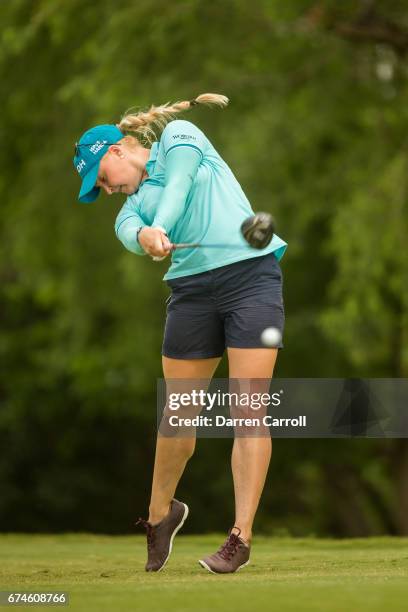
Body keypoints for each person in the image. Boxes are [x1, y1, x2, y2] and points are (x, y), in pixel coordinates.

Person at [73, 93, 287, 574]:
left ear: (118, 151)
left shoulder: (179, 137)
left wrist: (162, 224)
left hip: (251, 279)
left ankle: (240, 537)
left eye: (103, 179)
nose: (107, 190)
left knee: (248, 408)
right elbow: (130, 234)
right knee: (178, 417)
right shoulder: (129, 210)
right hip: (191, 294)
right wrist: (145, 238)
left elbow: (182, 183)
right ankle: (160, 515)